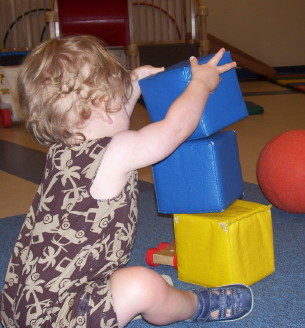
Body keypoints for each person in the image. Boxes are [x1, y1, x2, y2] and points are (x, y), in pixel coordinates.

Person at [0, 35, 253, 328]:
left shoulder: (62, 153)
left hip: (21, 307)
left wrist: (131, 86)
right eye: (121, 98)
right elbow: (175, 129)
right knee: (143, 285)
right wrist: (200, 85)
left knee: (122, 282)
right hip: (56, 319)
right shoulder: (117, 152)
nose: (126, 103)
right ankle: (195, 306)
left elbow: (110, 123)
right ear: (105, 103)